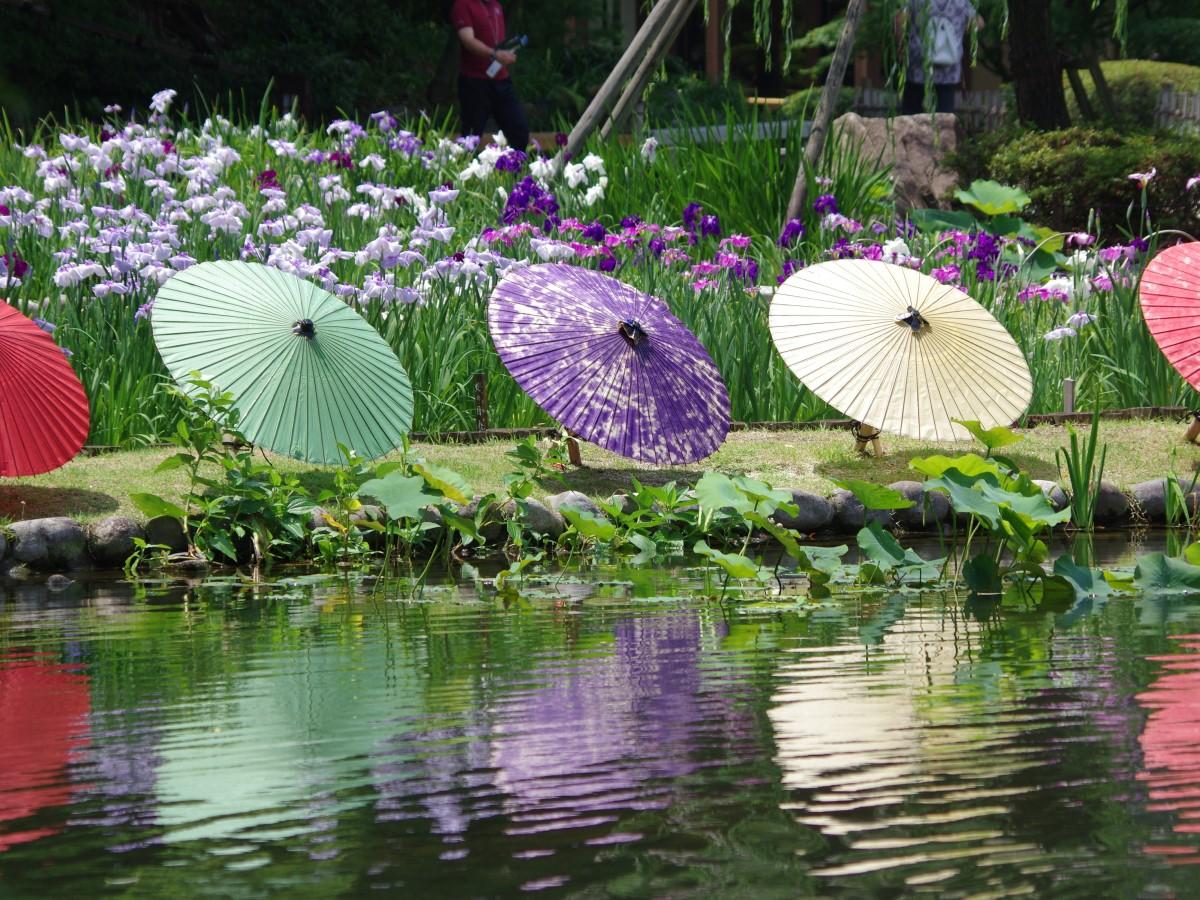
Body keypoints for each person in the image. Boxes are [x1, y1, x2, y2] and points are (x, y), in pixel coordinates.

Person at [450, 0, 530, 151]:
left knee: (519, 131)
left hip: (501, 80)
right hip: (474, 82)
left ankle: (515, 171)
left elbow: (498, 42)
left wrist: (506, 53)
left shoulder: (496, 5)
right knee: (471, 137)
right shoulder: (463, 4)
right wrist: (494, 54)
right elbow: (467, 39)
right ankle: (466, 172)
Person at [895, 0, 984, 115]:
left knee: (911, 113)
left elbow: (899, 20)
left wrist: (901, 48)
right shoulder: (961, 2)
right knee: (944, 117)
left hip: (918, 65)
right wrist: (958, 31)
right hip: (948, 70)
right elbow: (979, 24)